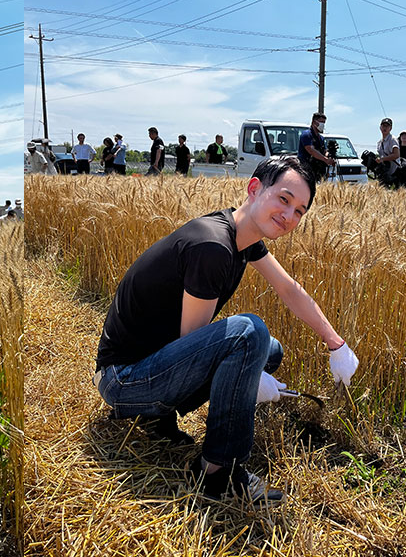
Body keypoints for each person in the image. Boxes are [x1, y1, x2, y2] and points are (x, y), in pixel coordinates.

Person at [93, 156, 359, 504]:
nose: (290, 216)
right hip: (123, 380)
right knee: (250, 334)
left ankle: (154, 417)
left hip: (147, 365)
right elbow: (191, 342)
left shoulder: (242, 237)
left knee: (269, 350)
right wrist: (245, 382)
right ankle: (218, 471)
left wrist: (335, 343)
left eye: (300, 211)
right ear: (254, 188)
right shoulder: (214, 248)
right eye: (284, 199)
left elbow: (288, 289)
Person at [297, 113, 334, 183]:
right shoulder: (306, 135)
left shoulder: (321, 138)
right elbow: (311, 150)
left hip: (318, 170)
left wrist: (329, 156)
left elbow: (324, 150)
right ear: (314, 122)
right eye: (321, 122)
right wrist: (325, 159)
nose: (322, 125)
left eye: (324, 123)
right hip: (307, 169)